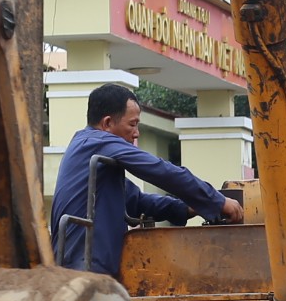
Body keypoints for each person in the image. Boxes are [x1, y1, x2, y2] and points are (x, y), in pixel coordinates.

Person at [52, 82, 240, 282]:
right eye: (132, 124)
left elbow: (137, 202)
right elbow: (161, 171)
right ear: (107, 124)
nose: (136, 133)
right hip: (83, 271)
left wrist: (189, 208)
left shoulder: (96, 160)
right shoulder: (96, 143)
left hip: (90, 269)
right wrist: (216, 201)